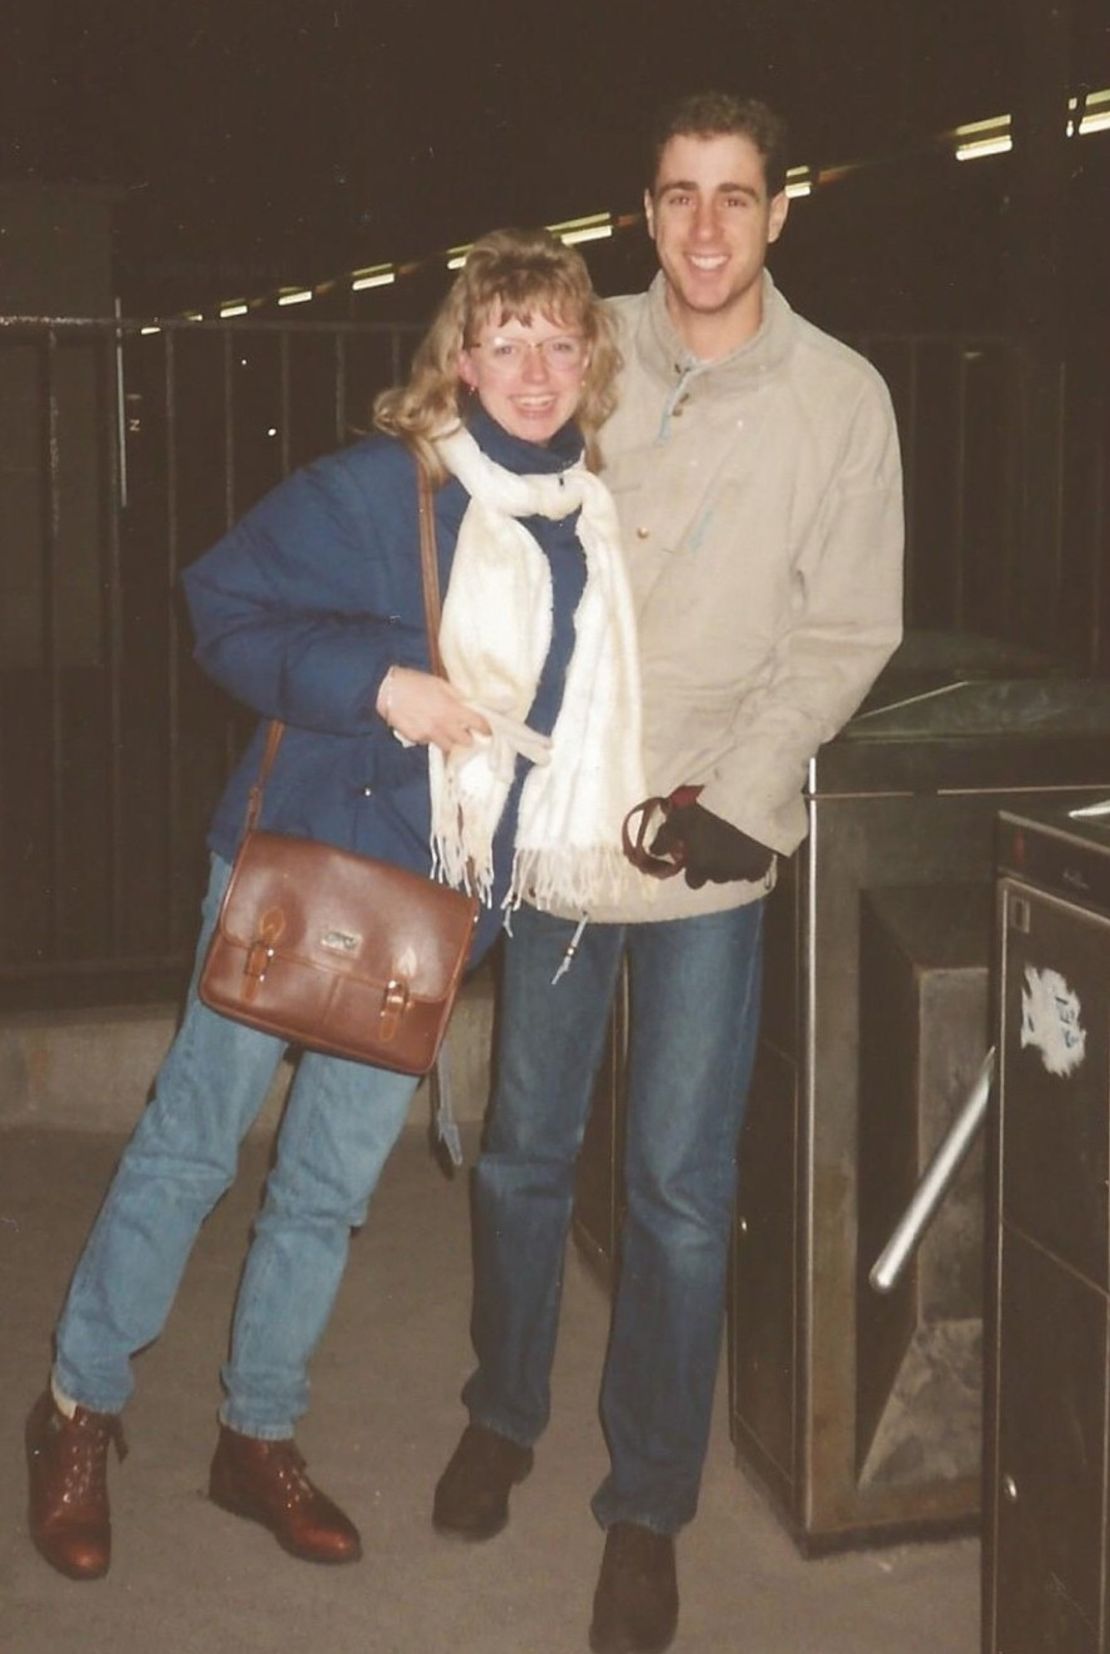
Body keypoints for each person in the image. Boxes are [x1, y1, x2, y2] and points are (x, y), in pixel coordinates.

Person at [24, 226, 646, 1582]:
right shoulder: (383, 487)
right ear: (459, 358)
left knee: (325, 1186)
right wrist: (379, 682)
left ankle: (256, 1432)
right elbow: (219, 603)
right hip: (301, 863)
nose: (533, 367)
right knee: (195, 1142)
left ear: (589, 356)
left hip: (434, 900)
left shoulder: (583, 520)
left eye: (558, 338)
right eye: (505, 339)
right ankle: (78, 1407)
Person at [433, 93, 904, 1654]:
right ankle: (503, 1408)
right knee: (520, 1152)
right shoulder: (586, 349)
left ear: (784, 209)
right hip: (564, 836)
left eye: (736, 196)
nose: (706, 227)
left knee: (679, 1196)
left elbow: (844, 627)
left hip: (705, 846)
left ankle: (645, 1508)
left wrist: (745, 794)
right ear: (642, 214)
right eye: (678, 197)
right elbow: (466, 474)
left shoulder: (841, 400)